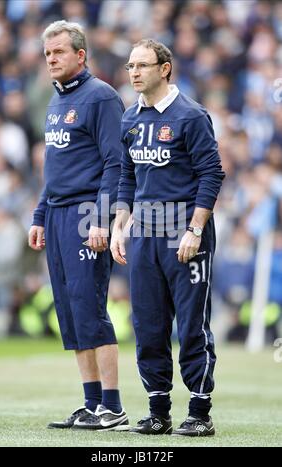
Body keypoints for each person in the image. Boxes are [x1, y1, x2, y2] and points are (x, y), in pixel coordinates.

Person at [111, 39, 225, 436]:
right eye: (130, 66)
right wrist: (119, 224)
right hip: (143, 231)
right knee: (147, 324)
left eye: (142, 65)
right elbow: (127, 175)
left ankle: (200, 411)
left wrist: (195, 229)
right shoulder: (129, 118)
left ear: (165, 68)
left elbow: (212, 175)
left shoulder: (191, 116)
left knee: (192, 325)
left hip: (183, 231)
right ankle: (158, 410)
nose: (134, 72)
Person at [28, 20, 129, 431]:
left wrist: (102, 219)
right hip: (56, 214)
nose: (51, 59)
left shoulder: (101, 97)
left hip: (87, 213)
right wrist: (38, 215)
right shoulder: (56, 100)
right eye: (48, 54)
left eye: (59, 53)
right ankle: (90, 404)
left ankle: (113, 406)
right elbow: (55, 168)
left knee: (90, 308)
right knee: (70, 313)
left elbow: (115, 163)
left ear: (81, 55)